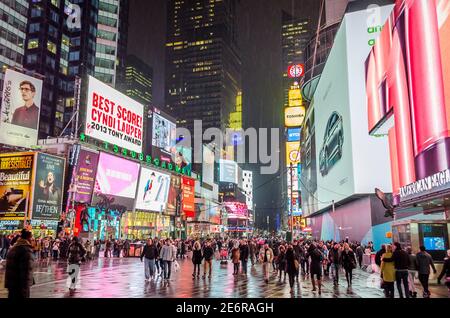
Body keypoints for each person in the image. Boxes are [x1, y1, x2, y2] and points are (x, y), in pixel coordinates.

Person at [4, 229, 34, 298]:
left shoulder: (13, 248)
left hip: (11, 284)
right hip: (20, 286)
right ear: (28, 238)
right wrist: (25, 287)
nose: (32, 240)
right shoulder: (26, 250)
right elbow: (26, 271)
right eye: (31, 238)